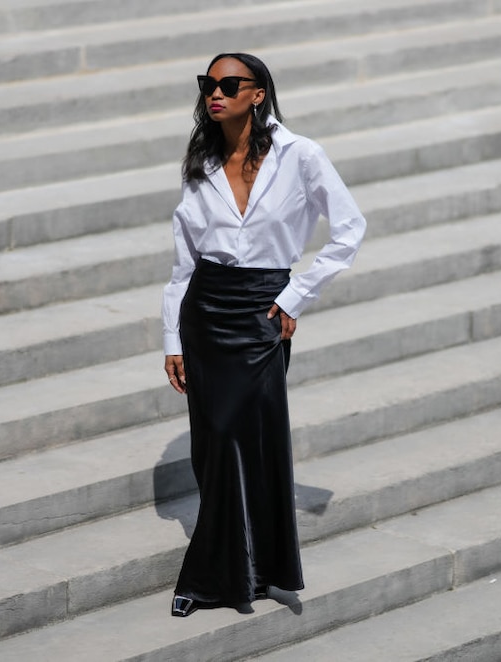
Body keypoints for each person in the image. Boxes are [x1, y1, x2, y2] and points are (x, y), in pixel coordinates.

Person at [161, 52, 366, 617]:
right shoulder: (199, 164)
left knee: (248, 438)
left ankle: (225, 575)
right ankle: (233, 571)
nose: (215, 93)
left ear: (258, 93)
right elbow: (184, 266)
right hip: (205, 313)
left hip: (261, 315)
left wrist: (295, 296)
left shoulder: (301, 155)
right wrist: (171, 339)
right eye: (208, 83)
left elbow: (349, 229)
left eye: (230, 83)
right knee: (214, 444)